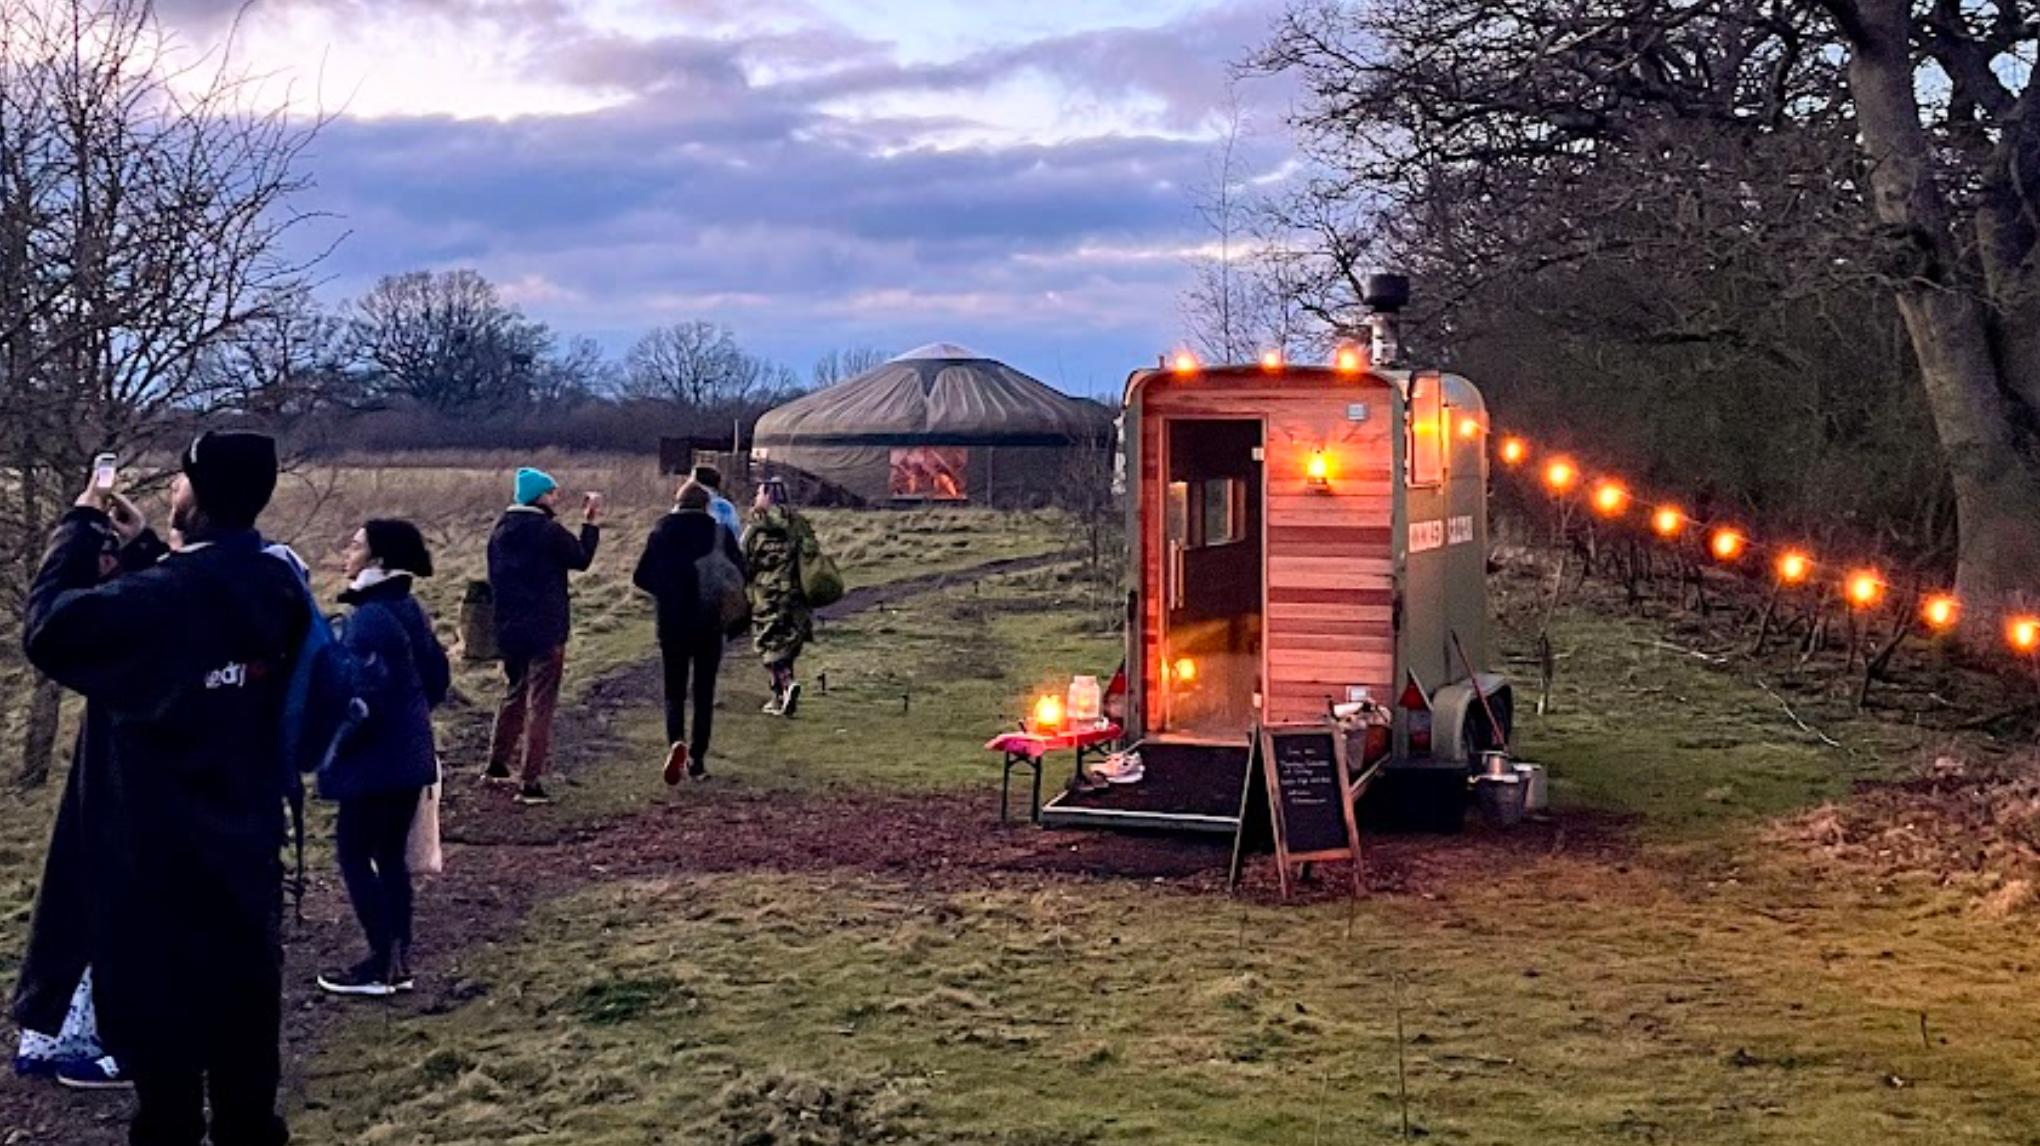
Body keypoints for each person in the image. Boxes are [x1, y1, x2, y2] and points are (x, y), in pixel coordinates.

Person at [18, 431, 306, 1146]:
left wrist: (80, 527)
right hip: (245, 861)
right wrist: (150, 550)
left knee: (166, 1095)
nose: (172, 491)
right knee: (247, 1075)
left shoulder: (163, 601)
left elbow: (50, 629)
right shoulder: (277, 583)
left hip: (151, 875)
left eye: (181, 481)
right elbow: (205, 619)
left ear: (200, 497)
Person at [13, 521, 132, 1092]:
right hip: (107, 783)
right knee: (78, 904)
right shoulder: (145, 609)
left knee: (104, 909)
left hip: (127, 791)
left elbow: (49, 630)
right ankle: (59, 1027)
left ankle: (102, 1036)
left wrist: (76, 531)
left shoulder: (137, 619)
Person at [316, 520, 450, 998]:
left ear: (377, 561)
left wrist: (328, 745)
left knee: (354, 853)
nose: (347, 552)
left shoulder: (369, 619)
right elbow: (436, 679)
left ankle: (380, 962)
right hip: (406, 755)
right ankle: (398, 960)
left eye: (355, 545)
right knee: (389, 857)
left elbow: (358, 699)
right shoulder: (407, 608)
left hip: (374, 764)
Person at [485, 466, 601, 806]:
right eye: (551, 492)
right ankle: (530, 782)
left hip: (508, 628)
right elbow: (580, 559)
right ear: (539, 496)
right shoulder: (548, 531)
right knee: (541, 704)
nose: (556, 498)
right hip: (546, 628)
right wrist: (591, 522)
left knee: (514, 692)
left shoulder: (500, 531)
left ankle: (496, 763)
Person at [634, 481, 747, 783]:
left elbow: (640, 576)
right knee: (704, 691)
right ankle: (697, 760)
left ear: (678, 502)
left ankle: (676, 743)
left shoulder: (661, 532)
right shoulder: (719, 534)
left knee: (674, 689)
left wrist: (666, 591)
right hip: (709, 620)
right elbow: (741, 572)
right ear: (707, 505)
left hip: (671, 623)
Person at [743, 478, 813, 716]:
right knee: (788, 641)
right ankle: (784, 692)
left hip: (767, 594)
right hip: (796, 592)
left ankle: (783, 688)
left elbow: (744, 559)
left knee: (768, 643)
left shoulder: (757, 527)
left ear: (766, 497)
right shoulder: (798, 523)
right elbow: (811, 553)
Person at [690, 464, 744, 540]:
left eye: (691, 480)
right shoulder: (727, 507)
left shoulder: (690, 503)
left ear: (699, 483)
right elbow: (735, 535)